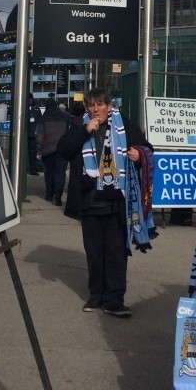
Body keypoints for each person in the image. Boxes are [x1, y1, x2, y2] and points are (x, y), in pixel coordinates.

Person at [57, 88, 155, 318]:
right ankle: (96, 295)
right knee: (93, 252)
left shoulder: (125, 124)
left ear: (109, 106)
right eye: (91, 105)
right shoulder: (79, 125)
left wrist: (139, 155)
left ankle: (114, 300)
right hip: (89, 199)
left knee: (116, 252)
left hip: (116, 201)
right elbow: (63, 150)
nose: (95, 109)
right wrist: (84, 131)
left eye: (100, 104)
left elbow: (147, 149)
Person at [41, 96, 69, 206]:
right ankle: (58, 195)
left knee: (49, 173)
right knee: (60, 173)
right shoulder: (64, 117)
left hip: (48, 149)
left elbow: (40, 134)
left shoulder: (44, 117)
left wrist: (39, 150)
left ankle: (49, 195)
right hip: (62, 149)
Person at [27, 95, 44, 176]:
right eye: (28, 99)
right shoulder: (23, 109)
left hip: (34, 135)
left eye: (31, 99)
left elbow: (40, 122)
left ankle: (33, 169)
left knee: (33, 153)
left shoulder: (36, 109)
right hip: (25, 134)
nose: (30, 100)